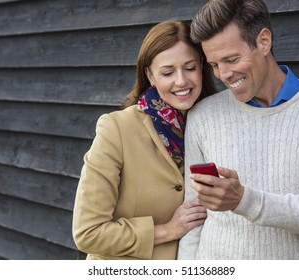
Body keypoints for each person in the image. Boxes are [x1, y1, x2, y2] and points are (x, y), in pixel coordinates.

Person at [178, 0, 299, 260]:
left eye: (231, 59)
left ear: (263, 42)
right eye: (214, 65)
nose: (223, 74)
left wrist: (243, 200)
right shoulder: (203, 115)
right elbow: (194, 215)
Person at [72, 19, 217, 260]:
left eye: (190, 68)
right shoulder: (116, 129)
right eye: (168, 72)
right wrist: (168, 230)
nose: (181, 81)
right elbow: (88, 233)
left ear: (202, 66)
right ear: (150, 75)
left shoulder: (215, 124)